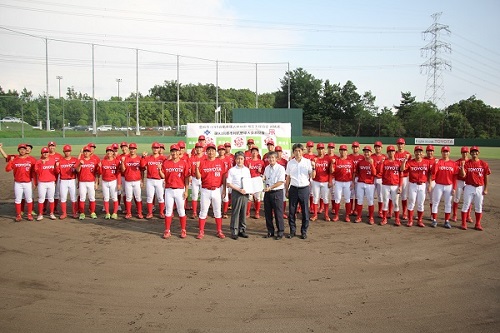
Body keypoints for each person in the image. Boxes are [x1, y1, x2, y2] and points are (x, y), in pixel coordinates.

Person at [195, 143, 227, 239]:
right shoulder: (202, 162)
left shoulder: (220, 162)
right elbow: (198, 177)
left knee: (217, 212)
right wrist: (196, 168)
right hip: (205, 190)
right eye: (209, 150)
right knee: (203, 211)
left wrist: (224, 189)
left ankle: (219, 231)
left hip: (217, 190)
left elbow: (224, 177)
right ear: (206, 151)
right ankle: (201, 231)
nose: (211, 152)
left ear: (215, 151)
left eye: (213, 150)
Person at [285, 143, 315, 239]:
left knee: (305, 211)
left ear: (302, 151)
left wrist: (314, 167)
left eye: (299, 151)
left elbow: (312, 176)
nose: (298, 153)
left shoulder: (307, 162)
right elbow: (288, 177)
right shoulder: (290, 163)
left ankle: (304, 231)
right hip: (293, 188)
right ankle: (292, 231)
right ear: (293, 152)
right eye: (296, 151)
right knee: (292, 211)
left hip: (304, 188)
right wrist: (286, 190)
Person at [159, 144, 190, 238]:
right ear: (171, 152)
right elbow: (163, 176)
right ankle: (167, 230)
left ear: (179, 152)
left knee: (181, 211)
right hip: (169, 189)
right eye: (172, 151)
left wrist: (186, 190)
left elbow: (186, 178)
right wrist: (159, 170)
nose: (174, 153)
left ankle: (183, 230)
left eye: (176, 151)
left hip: (180, 190)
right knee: (168, 211)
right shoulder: (166, 163)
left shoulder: (183, 163)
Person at [459, 146, 490, 231]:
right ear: (470, 153)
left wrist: (486, 188)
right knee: (466, 205)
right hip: (469, 186)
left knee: (478, 206)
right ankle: (463, 223)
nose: (474, 153)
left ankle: (478, 224)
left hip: (480, 187)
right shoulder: (467, 163)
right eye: (472, 151)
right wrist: (462, 167)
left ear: (478, 153)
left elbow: (486, 177)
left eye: (476, 151)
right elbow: (463, 175)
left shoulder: (484, 164)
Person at [401, 146, 432, 227]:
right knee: (411, 202)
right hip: (412, 185)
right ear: (414, 153)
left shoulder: (426, 162)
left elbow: (430, 173)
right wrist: (404, 160)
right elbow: (402, 169)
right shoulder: (410, 162)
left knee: (421, 203)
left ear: (422, 153)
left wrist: (430, 184)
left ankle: (420, 220)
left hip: (422, 185)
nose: (418, 153)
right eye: (417, 151)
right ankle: (410, 220)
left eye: (420, 151)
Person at [5, 144, 35, 221]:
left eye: (24, 149)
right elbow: (7, 169)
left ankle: (29, 214)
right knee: (18, 199)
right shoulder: (15, 160)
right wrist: (11, 161)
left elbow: (34, 171)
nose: (22, 150)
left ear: (26, 150)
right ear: (18, 150)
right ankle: (18, 215)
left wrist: (35, 181)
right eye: (20, 149)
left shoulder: (31, 160)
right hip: (18, 183)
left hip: (27, 182)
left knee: (29, 199)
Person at [431, 146, 459, 228]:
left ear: (449, 153)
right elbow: (433, 172)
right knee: (435, 202)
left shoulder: (453, 164)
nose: (445, 153)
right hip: (438, 185)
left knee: (448, 204)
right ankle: (434, 220)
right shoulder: (438, 162)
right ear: (441, 153)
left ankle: (447, 221)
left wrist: (454, 188)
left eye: (447, 152)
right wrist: (435, 164)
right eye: (444, 151)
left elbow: (455, 177)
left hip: (449, 186)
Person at [226, 151, 251, 240]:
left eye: (241, 159)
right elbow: (229, 183)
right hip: (236, 192)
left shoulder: (247, 170)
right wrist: (239, 189)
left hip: (245, 193)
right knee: (236, 212)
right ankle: (234, 231)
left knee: (243, 212)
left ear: (244, 159)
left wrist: (249, 190)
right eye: (238, 159)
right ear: (235, 160)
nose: (240, 161)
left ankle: (242, 230)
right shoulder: (232, 170)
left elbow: (249, 181)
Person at [263, 151, 286, 239]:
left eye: (273, 158)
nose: (271, 159)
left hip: (277, 192)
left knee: (278, 213)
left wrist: (271, 187)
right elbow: (265, 177)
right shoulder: (267, 168)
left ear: (276, 159)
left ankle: (280, 232)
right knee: (268, 213)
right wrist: (262, 178)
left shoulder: (280, 168)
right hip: (268, 193)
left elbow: (280, 182)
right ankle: (270, 231)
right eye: (269, 158)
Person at [378, 145, 402, 226]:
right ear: (387, 153)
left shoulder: (398, 162)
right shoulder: (384, 162)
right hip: (385, 185)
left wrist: (400, 186)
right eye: (389, 151)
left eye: (392, 151)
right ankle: (384, 219)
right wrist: (381, 163)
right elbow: (380, 172)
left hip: (395, 185)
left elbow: (401, 175)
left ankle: (397, 219)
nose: (391, 153)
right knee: (385, 202)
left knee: (396, 203)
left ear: (395, 152)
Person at [330, 145, 354, 222]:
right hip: (338, 182)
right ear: (339, 151)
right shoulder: (336, 160)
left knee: (347, 199)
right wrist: (331, 164)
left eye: (344, 150)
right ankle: (336, 215)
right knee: (337, 199)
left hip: (348, 182)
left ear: (347, 151)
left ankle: (347, 215)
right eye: (341, 150)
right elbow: (331, 171)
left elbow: (354, 172)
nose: (343, 152)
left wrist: (353, 182)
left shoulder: (350, 161)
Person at [141, 142, 166, 219]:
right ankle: (150, 213)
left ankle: (161, 212)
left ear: (159, 149)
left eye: (157, 148)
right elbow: (142, 165)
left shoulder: (163, 158)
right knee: (149, 197)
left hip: (159, 180)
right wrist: (143, 157)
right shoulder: (148, 158)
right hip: (150, 180)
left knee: (160, 197)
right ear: (152, 149)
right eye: (154, 148)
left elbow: (166, 168)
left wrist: (165, 178)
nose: (155, 149)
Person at [34, 147, 59, 221]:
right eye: (44, 152)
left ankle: (51, 213)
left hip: (51, 182)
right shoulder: (38, 162)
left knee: (51, 198)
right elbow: (37, 172)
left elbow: (56, 172)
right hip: (42, 182)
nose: (45, 154)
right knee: (41, 199)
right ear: (41, 154)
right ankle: (40, 214)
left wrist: (57, 167)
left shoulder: (53, 161)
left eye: (47, 152)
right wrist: (42, 165)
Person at [76, 146, 100, 220]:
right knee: (82, 198)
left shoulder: (94, 161)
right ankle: (82, 213)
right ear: (83, 153)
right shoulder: (80, 160)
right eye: (85, 151)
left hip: (91, 182)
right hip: (82, 182)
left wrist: (96, 183)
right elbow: (77, 170)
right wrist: (80, 164)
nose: (86, 153)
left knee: (92, 197)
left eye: (88, 151)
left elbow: (97, 173)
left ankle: (92, 212)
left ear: (90, 153)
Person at [121, 143, 144, 219]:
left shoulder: (139, 158)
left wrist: (142, 180)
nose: (132, 150)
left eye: (133, 149)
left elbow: (142, 169)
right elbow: (123, 170)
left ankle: (139, 213)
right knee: (128, 197)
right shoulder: (126, 158)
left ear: (136, 149)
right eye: (131, 149)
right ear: (129, 149)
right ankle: (128, 213)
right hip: (128, 180)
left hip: (137, 180)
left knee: (138, 197)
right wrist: (122, 162)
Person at [354, 146, 376, 224]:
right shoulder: (360, 162)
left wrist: (372, 164)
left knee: (370, 201)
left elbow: (374, 173)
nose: (366, 153)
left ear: (371, 153)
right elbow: (357, 172)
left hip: (370, 184)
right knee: (359, 200)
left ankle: (371, 218)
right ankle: (359, 217)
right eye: (365, 152)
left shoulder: (374, 161)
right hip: (360, 183)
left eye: (368, 152)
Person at [310, 143, 331, 221]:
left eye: (322, 149)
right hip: (316, 181)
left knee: (325, 198)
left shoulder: (328, 159)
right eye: (319, 149)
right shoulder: (314, 159)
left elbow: (331, 172)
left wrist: (330, 181)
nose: (321, 150)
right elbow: (313, 174)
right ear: (317, 149)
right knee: (315, 198)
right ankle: (315, 215)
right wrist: (313, 165)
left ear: (324, 149)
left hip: (325, 181)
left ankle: (326, 215)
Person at [100, 146, 121, 219]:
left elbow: (118, 173)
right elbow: (100, 173)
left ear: (113, 153)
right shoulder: (103, 161)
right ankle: (107, 213)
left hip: (113, 181)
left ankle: (115, 213)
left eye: (111, 151)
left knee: (114, 197)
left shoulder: (116, 161)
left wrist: (118, 183)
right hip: (105, 181)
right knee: (106, 198)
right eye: (108, 151)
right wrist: (99, 167)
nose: (109, 152)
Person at [58, 145, 78, 219]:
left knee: (73, 197)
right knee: (63, 198)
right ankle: (64, 213)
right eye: (66, 151)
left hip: (72, 180)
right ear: (63, 152)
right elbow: (57, 172)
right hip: (63, 181)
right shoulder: (60, 161)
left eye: (69, 151)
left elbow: (77, 171)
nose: (67, 152)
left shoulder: (75, 160)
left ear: (70, 151)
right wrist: (56, 166)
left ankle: (74, 212)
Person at [245, 145, 265, 219]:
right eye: (253, 151)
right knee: (249, 197)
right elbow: (244, 171)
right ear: (251, 152)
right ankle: (248, 212)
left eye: (255, 151)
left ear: (258, 153)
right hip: (250, 179)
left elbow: (264, 171)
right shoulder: (247, 161)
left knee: (257, 197)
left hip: (257, 180)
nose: (254, 153)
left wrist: (260, 171)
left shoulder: (261, 162)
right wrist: (248, 169)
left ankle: (257, 212)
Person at [394, 138, 412, 219]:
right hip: (396, 177)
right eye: (399, 144)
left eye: (402, 144)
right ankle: (390, 212)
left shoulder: (408, 154)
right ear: (397, 145)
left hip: (405, 177)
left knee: (404, 196)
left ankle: (404, 212)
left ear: (404, 145)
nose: (400, 145)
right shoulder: (394, 154)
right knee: (394, 195)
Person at [453, 146, 471, 222]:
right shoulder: (457, 162)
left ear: (468, 153)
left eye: (466, 152)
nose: (465, 154)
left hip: (468, 182)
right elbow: (456, 174)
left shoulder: (471, 162)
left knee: (468, 200)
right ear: (461, 153)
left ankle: (468, 216)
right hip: (459, 181)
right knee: (457, 198)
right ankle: (454, 215)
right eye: (463, 152)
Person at [189, 142, 205, 219]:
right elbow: (189, 168)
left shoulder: (205, 157)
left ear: (203, 149)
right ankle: (194, 212)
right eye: (197, 148)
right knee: (194, 195)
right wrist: (189, 176)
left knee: (203, 196)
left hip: (203, 178)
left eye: (200, 148)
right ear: (195, 149)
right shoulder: (192, 158)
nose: (199, 149)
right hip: (194, 178)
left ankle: (203, 211)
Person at [348, 141, 364, 215]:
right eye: (354, 147)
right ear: (352, 148)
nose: (355, 148)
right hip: (350, 177)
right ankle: (350, 209)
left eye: (356, 147)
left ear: (359, 148)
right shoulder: (349, 157)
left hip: (358, 177)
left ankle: (356, 209)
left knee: (358, 194)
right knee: (351, 193)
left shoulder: (362, 157)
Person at [371, 141, 386, 218]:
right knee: (371, 195)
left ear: (381, 148)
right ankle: (371, 211)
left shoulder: (384, 157)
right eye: (376, 147)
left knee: (380, 195)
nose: (377, 148)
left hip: (380, 179)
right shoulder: (371, 156)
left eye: (379, 147)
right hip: (372, 178)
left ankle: (380, 211)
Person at [275, 146, 288, 219]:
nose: (278, 153)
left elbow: (287, 172)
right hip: (274, 182)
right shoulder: (272, 160)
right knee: (274, 198)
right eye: (276, 151)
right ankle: (274, 212)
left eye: (279, 151)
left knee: (283, 198)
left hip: (282, 182)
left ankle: (282, 212)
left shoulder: (285, 161)